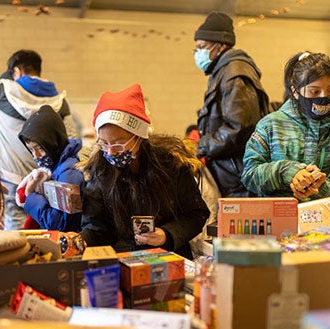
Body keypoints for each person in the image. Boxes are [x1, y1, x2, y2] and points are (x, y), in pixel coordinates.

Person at [79, 84, 210, 259]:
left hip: (169, 256)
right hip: (123, 259)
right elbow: (96, 226)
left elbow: (196, 214)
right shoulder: (101, 170)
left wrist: (166, 234)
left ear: (139, 136)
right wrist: (81, 241)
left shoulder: (171, 164)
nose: (110, 152)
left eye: (118, 144)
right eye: (103, 144)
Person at [0, 48, 73, 230]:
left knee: (17, 238)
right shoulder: (60, 101)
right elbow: (70, 140)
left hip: (12, 182)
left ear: (17, 71)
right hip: (48, 181)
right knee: (46, 234)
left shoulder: (1, 91)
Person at [241, 51, 330, 207]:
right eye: (315, 91)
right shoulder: (270, 126)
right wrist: (287, 171)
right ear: (295, 91)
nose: (324, 97)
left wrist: (321, 187)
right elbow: (249, 176)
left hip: (327, 226)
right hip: (279, 222)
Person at [193, 11, 270, 197]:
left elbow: (239, 127)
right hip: (231, 174)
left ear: (219, 46)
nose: (197, 53)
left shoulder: (234, 74)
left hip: (238, 178)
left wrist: (201, 146)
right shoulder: (223, 72)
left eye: (202, 47)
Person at [17, 105, 85, 232]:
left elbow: (62, 225)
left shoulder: (69, 175)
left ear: (53, 142)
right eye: (31, 149)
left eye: (40, 148)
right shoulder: (54, 168)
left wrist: (30, 196)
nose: (35, 156)